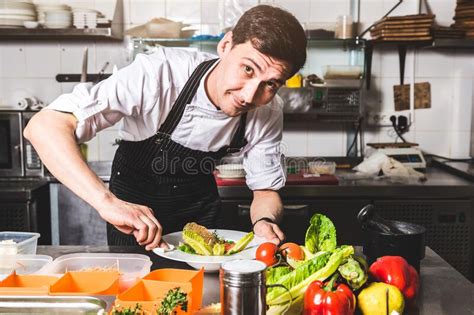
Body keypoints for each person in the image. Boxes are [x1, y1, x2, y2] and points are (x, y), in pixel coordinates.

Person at [24, 5, 307, 250]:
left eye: (270, 84)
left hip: (202, 220)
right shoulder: (160, 73)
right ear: (225, 45)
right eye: (247, 69)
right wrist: (107, 202)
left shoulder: (268, 111)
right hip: (135, 221)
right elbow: (43, 125)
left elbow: (265, 191)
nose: (249, 96)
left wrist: (264, 221)